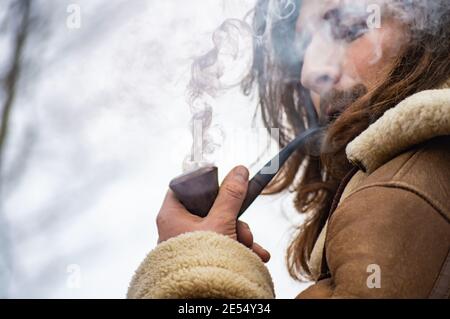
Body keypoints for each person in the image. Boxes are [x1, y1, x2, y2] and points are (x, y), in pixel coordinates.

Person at [128, 0, 450, 298]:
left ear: (433, 31)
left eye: (350, 28)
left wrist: (198, 263)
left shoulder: (399, 190)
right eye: (304, 48)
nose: (309, 72)